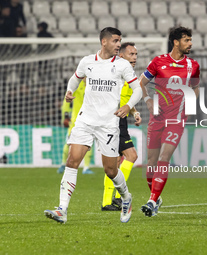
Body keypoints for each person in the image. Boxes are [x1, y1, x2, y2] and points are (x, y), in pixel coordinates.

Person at [44, 27, 142, 224]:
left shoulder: (122, 65)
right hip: (85, 120)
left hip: (108, 124)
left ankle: (126, 197)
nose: (118, 45)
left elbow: (137, 88)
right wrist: (69, 91)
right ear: (104, 42)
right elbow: (75, 78)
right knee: (72, 161)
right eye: (115, 41)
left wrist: (128, 106)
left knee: (111, 170)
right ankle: (62, 209)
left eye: (119, 41)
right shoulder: (87, 61)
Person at [139, 26, 200, 217]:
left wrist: (190, 106)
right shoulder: (158, 62)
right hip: (157, 118)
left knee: (164, 158)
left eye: (190, 40)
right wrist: (148, 100)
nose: (190, 43)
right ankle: (156, 197)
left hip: (176, 119)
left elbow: (196, 88)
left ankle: (151, 201)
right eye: (186, 40)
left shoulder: (193, 65)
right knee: (151, 163)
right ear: (176, 42)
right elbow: (141, 83)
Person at [101, 42, 142, 211]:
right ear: (122, 55)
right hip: (114, 120)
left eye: (136, 54)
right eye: (131, 54)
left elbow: (124, 100)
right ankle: (119, 197)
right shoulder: (116, 72)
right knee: (131, 156)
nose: (135, 58)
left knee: (116, 162)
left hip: (120, 119)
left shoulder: (127, 74)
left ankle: (106, 202)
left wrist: (134, 112)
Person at [57, 78, 94, 175]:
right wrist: (65, 116)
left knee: (89, 142)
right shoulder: (77, 85)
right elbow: (67, 100)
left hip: (90, 119)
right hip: (76, 120)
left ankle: (86, 167)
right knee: (69, 142)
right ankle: (62, 164)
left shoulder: (94, 86)